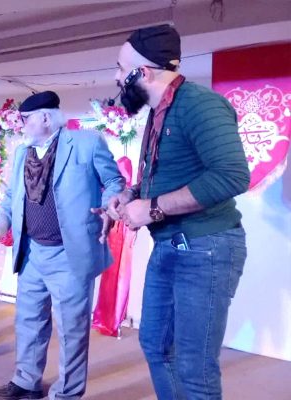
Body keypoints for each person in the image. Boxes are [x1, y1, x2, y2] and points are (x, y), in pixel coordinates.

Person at [108, 25, 250, 399]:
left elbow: (233, 175)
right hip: (172, 245)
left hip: (206, 248)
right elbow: (165, 175)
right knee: (156, 346)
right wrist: (130, 195)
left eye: (121, 69)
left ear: (143, 73)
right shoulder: (160, 112)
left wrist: (151, 208)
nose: (117, 78)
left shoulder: (199, 104)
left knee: (194, 367)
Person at [0, 91, 124, 400]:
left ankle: (67, 393)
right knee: (28, 321)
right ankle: (26, 381)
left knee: (71, 329)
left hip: (69, 253)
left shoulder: (87, 143)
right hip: (32, 252)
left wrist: (108, 206)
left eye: (25, 119)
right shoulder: (22, 153)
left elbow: (115, 183)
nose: (21, 125)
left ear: (46, 118)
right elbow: (11, 199)